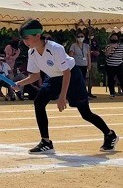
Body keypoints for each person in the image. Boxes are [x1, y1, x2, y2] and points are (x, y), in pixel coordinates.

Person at [14, 19, 118, 153]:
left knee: (85, 113)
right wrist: (20, 84)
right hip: (53, 77)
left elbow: (66, 73)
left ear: (38, 36)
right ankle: (46, 142)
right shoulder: (32, 52)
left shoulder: (55, 48)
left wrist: (62, 97)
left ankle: (110, 135)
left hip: (72, 76)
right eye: (23, 39)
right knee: (39, 102)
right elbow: (35, 75)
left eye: (27, 38)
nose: (25, 42)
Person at [69, 30, 93, 97]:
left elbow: (88, 56)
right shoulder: (73, 45)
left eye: (82, 36)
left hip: (84, 65)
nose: (80, 38)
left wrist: (89, 64)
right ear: (76, 38)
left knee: (83, 79)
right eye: (79, 36)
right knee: (77, 79)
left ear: (84, 37)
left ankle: (83, 93)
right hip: (76, 65)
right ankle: (76, 93)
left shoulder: (86, 46)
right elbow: (70, 55)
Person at [104, 32, 123, 100]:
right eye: (113, 38)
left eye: (115, 38)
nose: (114, 39)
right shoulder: (108, 46)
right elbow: (106, 54)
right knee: (111, 80)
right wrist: (111, 47)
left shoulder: (121, 46)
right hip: (110, 65)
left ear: (118, 39)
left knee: (121, 79)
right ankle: (112, 93)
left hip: (119, 65)